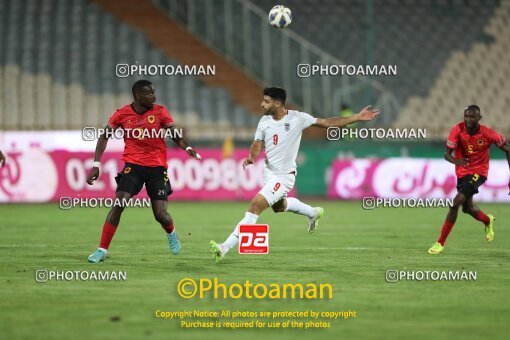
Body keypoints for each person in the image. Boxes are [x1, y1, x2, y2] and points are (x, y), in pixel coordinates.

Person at [210, 87, 379, 262]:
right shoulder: (264, 121)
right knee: (279, 206)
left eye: (266, 101)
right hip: (269, 174)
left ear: (277, 103)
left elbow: (327, 122)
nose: (262, 104)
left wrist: (357, 117)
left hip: (284, 177)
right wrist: (252, 157)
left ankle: (224, 247)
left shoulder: (298, 118)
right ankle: (312, 212)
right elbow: (257, 143)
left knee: (255, 206)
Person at [86, 80, 200, 263]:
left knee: (160, 215)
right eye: (150, 93)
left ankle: (171, 232)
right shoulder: (121, 114)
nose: (154, 96)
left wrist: (187, 149)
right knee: (119, 203)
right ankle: (102, 250)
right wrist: (96, 165)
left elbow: (175, 134)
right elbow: (104, 136)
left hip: (157, 168)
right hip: (133, 166)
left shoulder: (160, 111)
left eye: (154, 92)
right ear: (138, 96)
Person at [428, 105, 510, 255]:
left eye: (473, 116)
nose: (469, 119)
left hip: (479, 172)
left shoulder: (488, 133)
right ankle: (487, 221)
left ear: (479, 118)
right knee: (467, 208)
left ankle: (440, 243)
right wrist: (456, 161)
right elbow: (447, 154)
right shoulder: (457, 129)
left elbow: (508, 149)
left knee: (455, 203)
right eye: (467, 116)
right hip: (462, 172)